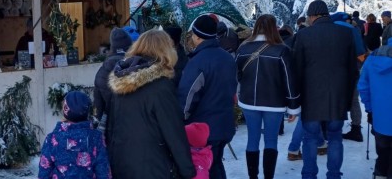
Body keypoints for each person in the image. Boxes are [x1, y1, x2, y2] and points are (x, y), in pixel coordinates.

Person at [107, 29, 195, 179]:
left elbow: (112, 128)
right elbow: (173, 132)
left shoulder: (121, 81)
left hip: (122, 164)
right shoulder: (161, 86)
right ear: (167, 50)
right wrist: (188, 171)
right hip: (153, 166)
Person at [293, 0, 358, 179]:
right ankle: (334, 175)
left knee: (310, 138)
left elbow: (297, 70)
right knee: (335, 137)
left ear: (313, 15)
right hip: (337, 97)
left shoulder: (304, 35)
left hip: (310, 98)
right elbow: (352, 70)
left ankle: (309, 175)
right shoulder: (346, 33)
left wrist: (295, 100)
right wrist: (347, 98)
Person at [235, 14, 300, 179]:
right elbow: (289, 79)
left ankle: (253, 177)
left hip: (249, 101)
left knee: (252, 139)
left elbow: (236, 76)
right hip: (274, 103)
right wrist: (293, 107)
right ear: (274, 28)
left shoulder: (243, 49)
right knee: (271, 141)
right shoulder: (282, 50)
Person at [178, 14, 237, 179]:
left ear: (197, 36)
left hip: (204, 129)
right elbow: (232, 88)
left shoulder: (197, 62)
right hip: (224, 124)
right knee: (216, 164)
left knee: (205, 167)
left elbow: (188, 97)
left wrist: (180, 120)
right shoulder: (227, 58)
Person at [38, 91, 110, 179]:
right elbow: (103, 172)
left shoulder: (52, 139)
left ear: (65, 110)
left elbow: (44, 173)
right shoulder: (96, 138)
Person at [358, 38, 392, 179]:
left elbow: (363, 86)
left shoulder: (374, 57)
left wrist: (370, 108)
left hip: (380, 116)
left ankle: (381, 172)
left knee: (383, 149)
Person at [330, 12, 366, 142]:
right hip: (353, 69)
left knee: (336, 97)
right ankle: (356, 130)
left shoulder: (332, 30)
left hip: (335, 69)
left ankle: (333, 128)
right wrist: (358, 65)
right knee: (354, 99)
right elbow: (361, 51)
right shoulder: (353, 30)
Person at [93, 27, 132, 134]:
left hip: (113, 126)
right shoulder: (137, 66)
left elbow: (98, 107)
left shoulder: (101, 72)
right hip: (136, 125)